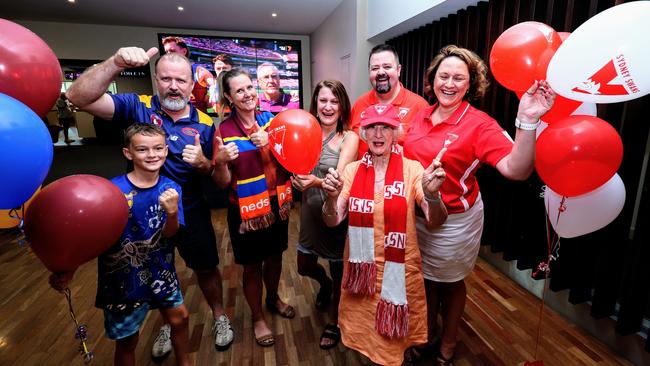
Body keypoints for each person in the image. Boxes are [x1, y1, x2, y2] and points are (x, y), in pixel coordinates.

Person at [65, 47, 234, 359]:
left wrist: (204, 163)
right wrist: (115, 62)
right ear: (156, 80)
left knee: (207, 268)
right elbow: (78, 96)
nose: (173, 86)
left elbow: (220, 179)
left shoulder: (206, 123)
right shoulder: (136, 106)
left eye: (181, 80)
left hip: (192, 210)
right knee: (158, 271)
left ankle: (220, 316)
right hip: (143, 216)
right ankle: (168, 322)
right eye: (166, 78)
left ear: (191, 83)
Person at [402, 45, 556, 365]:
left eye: (459, 78)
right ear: (431, 80)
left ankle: (449, 338)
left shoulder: (479, 124)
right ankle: (428, 330)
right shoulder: (420, 116)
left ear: (470, 84)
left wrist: (527, 120)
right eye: (443, 76)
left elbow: (517, 169)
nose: (449, 83)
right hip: (417, 215)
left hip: (455, 220)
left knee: (450, 280)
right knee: (426, 277)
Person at [49, 123, 190, 366]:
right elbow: (90, 236)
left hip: (161, 271)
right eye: (143, 150)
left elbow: (170, 234)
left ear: (166, 151)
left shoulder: (171, 188)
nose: (152, 155)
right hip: (122, 281)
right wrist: (69, 269)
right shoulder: (112, 189)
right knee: (127, 341)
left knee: (180, 319)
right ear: (129, 153)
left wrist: (172, 213)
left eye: (158, 148)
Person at [320, 103, 448, 365]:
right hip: (361, 279)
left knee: (392, 344)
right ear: (364, 134)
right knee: (367, 339)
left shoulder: (412, 169)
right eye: (372, 128)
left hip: (399, 275)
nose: (379, 134)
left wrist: (433, 195)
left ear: (396, 133)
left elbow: (436, 219)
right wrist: (331, 199)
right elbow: (333, 220)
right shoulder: (352, 171)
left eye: (386, 128)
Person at [211, 68, 295, 347]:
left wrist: (271, 143)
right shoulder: (223, 130)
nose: (247, 94)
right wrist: (221, 160)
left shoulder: (272, 120)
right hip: (246, 211)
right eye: (239, 90)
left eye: (249, 88)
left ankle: (273, 299)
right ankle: (258, 317)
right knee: (251, 267)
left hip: (277, 203)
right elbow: (222, 183)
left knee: (275, 258)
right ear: (229, 96)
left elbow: (292, 161)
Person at [291, 80, 359, 349]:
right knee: (304, 266)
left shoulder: (350, 137)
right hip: (309, 211)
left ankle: (334, 321)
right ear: (315, 104)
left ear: (342, 107)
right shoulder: (305, 131)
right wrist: (295, 180)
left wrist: (313, 182)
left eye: (334, 101)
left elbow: (340, 179)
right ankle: (325, 285)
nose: (328, 106)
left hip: (336, 212)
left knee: (338, 268)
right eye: (323, 101)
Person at [350, 44, 429, 158]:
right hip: (363, 174)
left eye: (387, 67)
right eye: (375, 68)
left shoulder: (419, 106)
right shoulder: (359, 104)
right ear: (369, 72)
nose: (381, 72)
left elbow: (425, 154)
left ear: (398, 70)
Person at [162, 36, 211, 113]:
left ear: (184, 51)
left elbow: (215, 87)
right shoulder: (165, 74)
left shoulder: (199, 71)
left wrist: (209, 96)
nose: (168, 54)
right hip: (174, 120)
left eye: (172, 51)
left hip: (197, 121)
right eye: (166, 52)